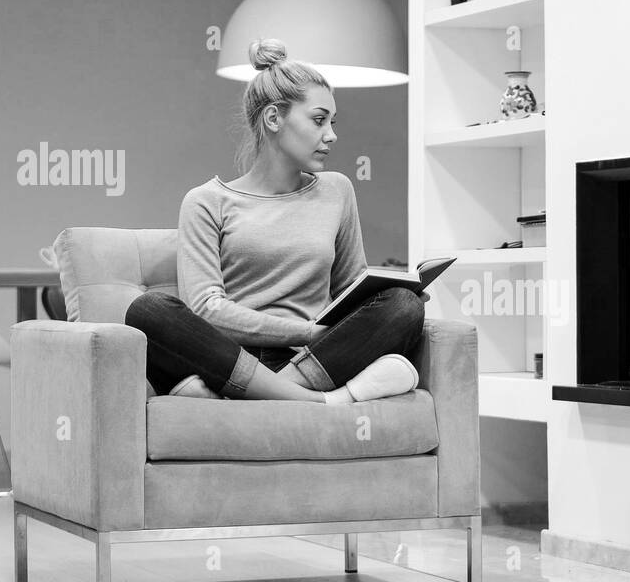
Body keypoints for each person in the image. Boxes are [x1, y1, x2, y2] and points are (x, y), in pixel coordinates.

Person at [124, 38, 424, 402]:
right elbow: (207, 310)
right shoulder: (206, 201)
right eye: (318, 120)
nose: (331, 135)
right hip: (230, 356)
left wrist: (387, 298)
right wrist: (306, 332)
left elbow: (349, 291)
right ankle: (322, 401)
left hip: (312, 358)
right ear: (273, 118)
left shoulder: (337, 191)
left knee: (404, 306)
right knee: (149, 311)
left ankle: (252, 398)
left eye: (332, 122)